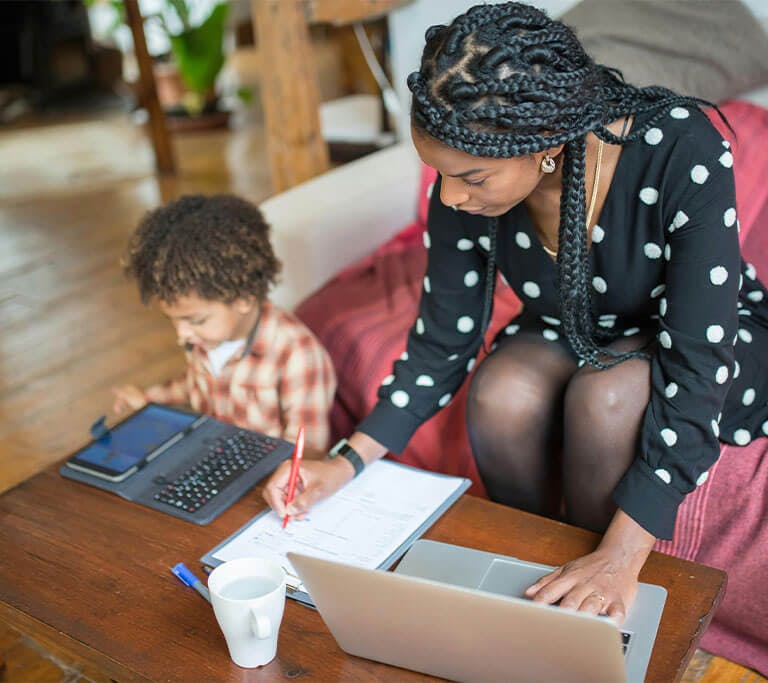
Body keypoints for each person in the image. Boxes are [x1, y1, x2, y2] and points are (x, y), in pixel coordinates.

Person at [263, 2, 768, 622]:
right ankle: (532, 578)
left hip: (697, 337)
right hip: (571, 322)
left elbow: (697, 365)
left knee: (604, 400)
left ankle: (601, 599)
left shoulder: (682, 147)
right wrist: (346, 463)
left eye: (472, 179)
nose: (449, 197)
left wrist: (622, 553)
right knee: (502, 390)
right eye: (440, 177)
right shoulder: (461, 177)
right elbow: (440, 342)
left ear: (547, 148)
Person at [113, 193, 337, 451]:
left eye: (195, 320)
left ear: (243, 298)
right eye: (173, 321)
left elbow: (306, 453)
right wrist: (148, 402)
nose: (181, 335)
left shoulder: (298, 356)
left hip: (265, 479)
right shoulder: (206, 337)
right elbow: (196, 385)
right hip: (208, 457)